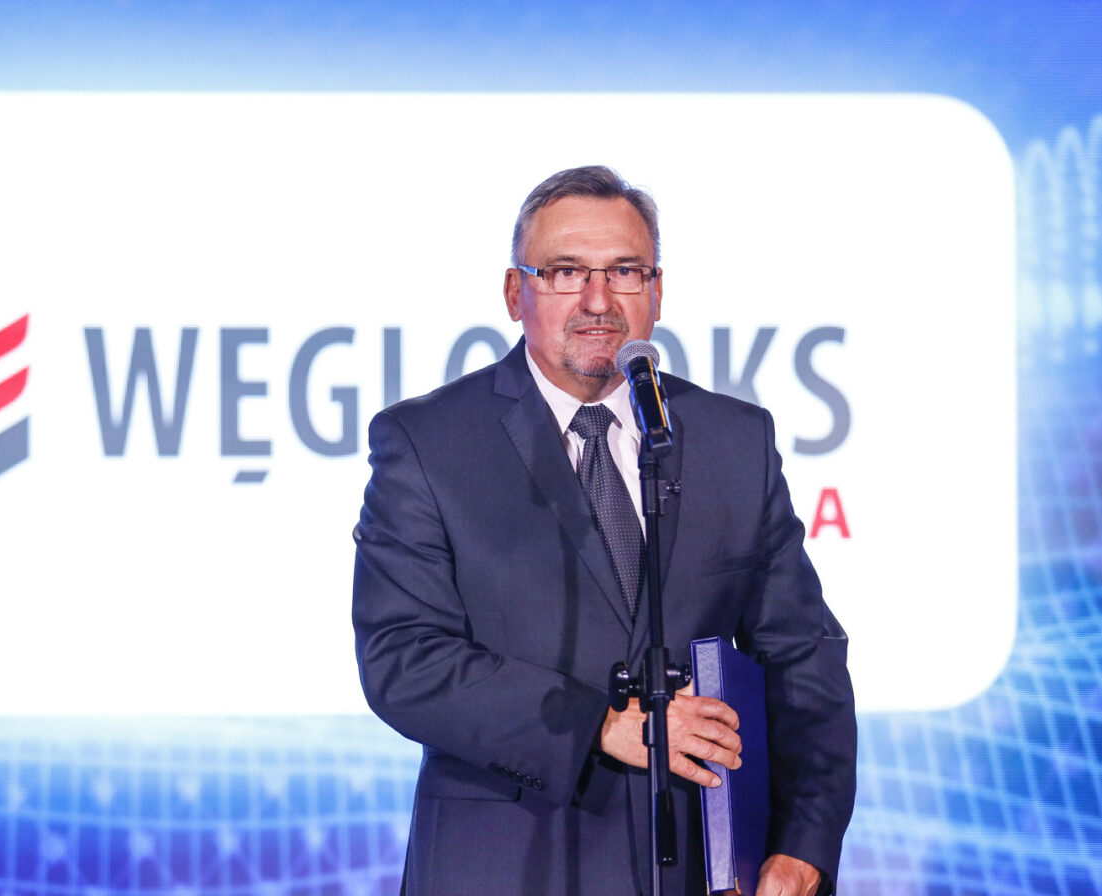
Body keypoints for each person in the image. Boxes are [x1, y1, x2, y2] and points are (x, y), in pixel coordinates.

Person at [352, 165, 856, 896]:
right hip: (504, 866)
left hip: (699, 868)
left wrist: (803, 843)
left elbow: (803, 656)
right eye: (565, 272)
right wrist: (600, 723)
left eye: (624, 271)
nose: (598, 300)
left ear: (657, 291)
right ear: (514, 292)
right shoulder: (428, 441)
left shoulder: (731, 440)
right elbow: (403, 660)